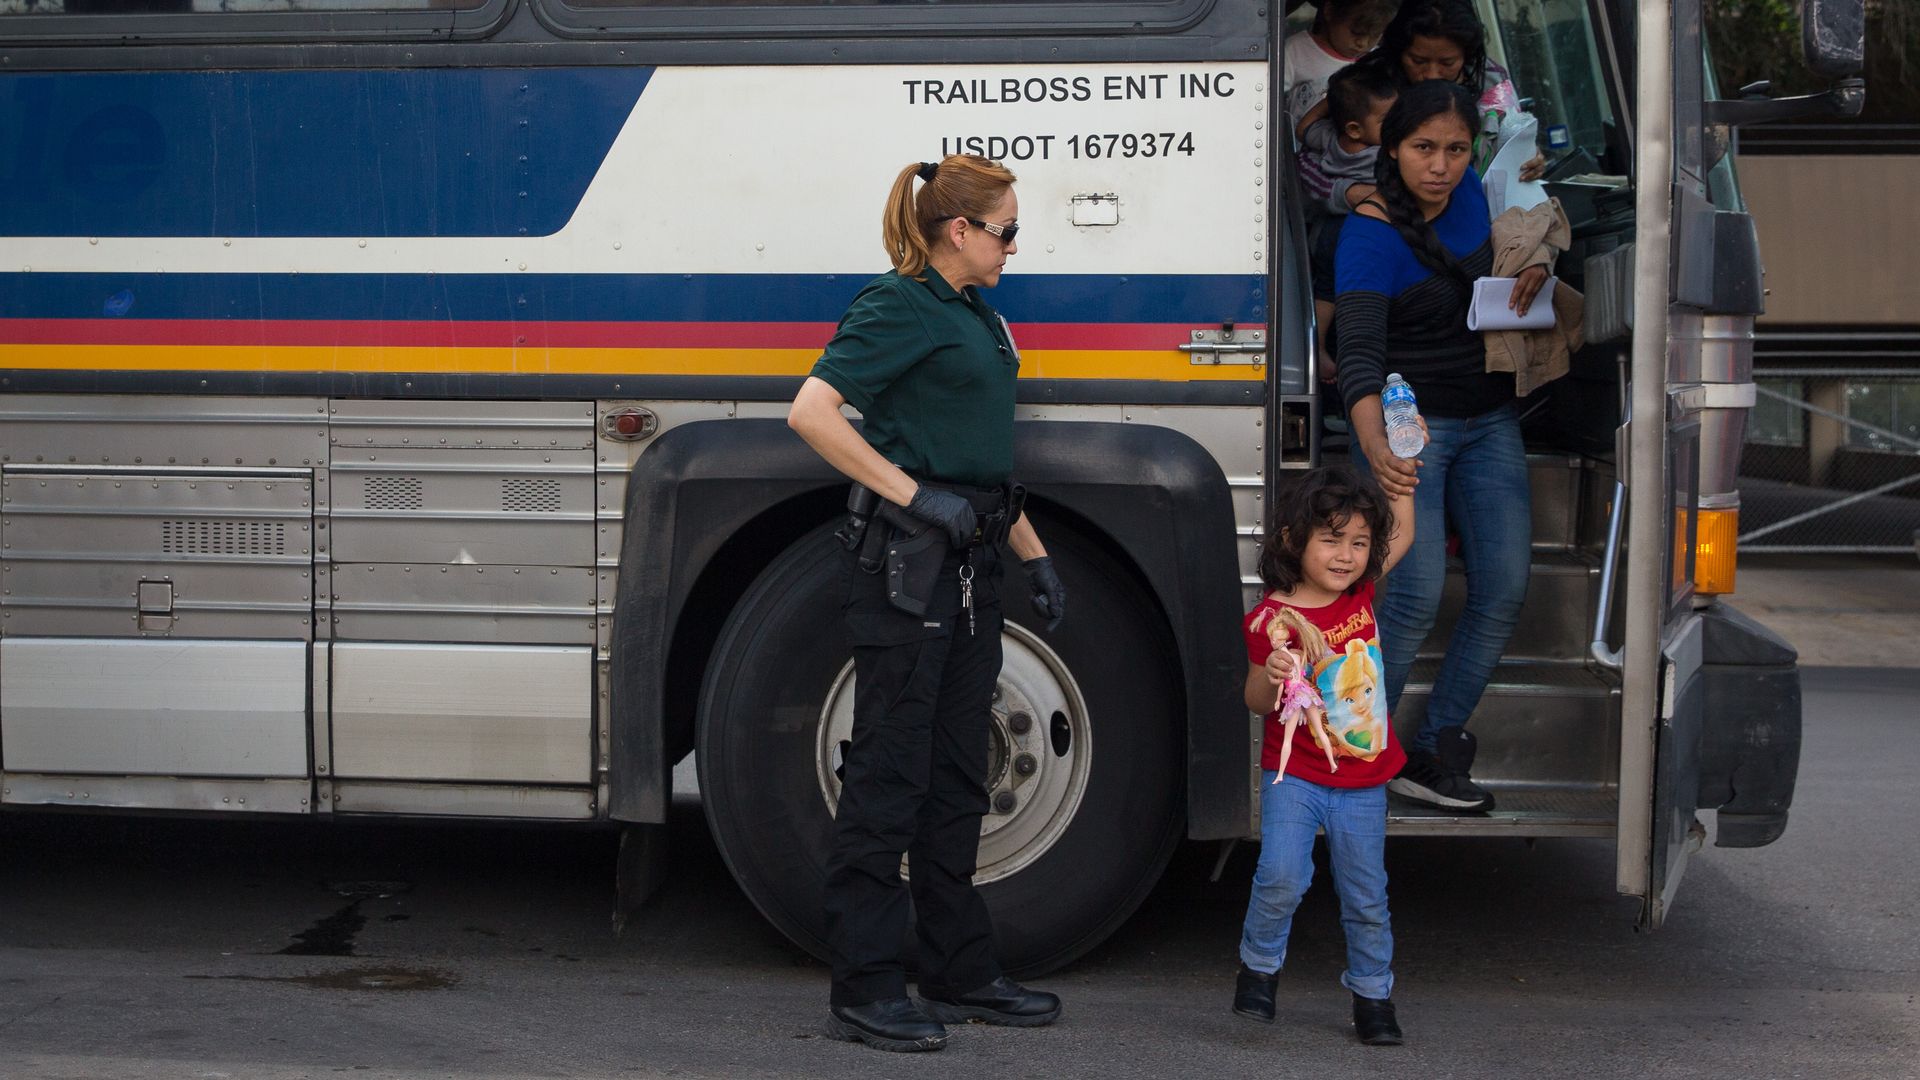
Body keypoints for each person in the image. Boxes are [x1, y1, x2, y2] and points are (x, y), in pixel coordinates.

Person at [787, 153, 1069, 1054]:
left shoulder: (980, 317)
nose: (1014, 248)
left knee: (956, 775)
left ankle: (956, 966)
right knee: (889, 774)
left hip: (974, 564)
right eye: (1007, 231)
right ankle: (865, 987)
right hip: (907, 570)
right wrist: (911, 496)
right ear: (962, 231)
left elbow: (983, 462)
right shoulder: (897, 304)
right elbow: (814, 412)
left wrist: (1036, 555)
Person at [1332, 80, 1550, 813]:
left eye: (1457, 149)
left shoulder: (1481, 201)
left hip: (1491, 423)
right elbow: (1357, 355)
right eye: (1425, 148)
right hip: (1402, 427)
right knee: (1414, 596)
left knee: (1504, 589)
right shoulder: (1369, 230)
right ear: (1394, 148)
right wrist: (1379, 450)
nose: (1441, 166)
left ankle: (1432, 751)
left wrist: (1536, 259)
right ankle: (1357, 751)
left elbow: (1539, 227)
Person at [1233, 464, 1414, 1045]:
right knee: (1281, 876)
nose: (1347, 555)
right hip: (1297, 777)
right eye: (1331, 539)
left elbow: (1402, 534)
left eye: (1359, 542)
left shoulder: (1361, 593)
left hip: (1364, 780)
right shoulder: (1272, 620)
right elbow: (1255, 699)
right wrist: (1277, 671)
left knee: (1366, 896)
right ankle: (1258, 972)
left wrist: (1404, 485)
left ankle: (1373, 998)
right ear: (1293, 540)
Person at [1301, 56, 1400, 383]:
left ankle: (1317, 346)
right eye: (1390, 119)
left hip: (1325, 230)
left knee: (1325, 291)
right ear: (1356, 128)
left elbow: (1303, 128)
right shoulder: (1385, 151)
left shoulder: (1330, 139)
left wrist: (1331, 104)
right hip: (1357, 229)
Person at [1282, 0, 1398, 122]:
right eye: (1356, 32)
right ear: (1329, 11)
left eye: (1375, 35)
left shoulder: (1377, 60)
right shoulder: (1296, 51)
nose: (1363, 43)